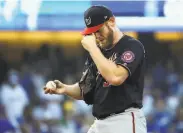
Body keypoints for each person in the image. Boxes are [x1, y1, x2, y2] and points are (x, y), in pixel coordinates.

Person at [44, 5, 147, 133]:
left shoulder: (131, 45)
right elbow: (85, 89)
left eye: (98, 30)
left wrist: (93, 48)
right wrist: (65, 88)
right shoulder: (98, 52)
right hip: (99, 122)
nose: (96, 35)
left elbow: (116, 77)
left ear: (111, 21)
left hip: (124, 120)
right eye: (92, 32)